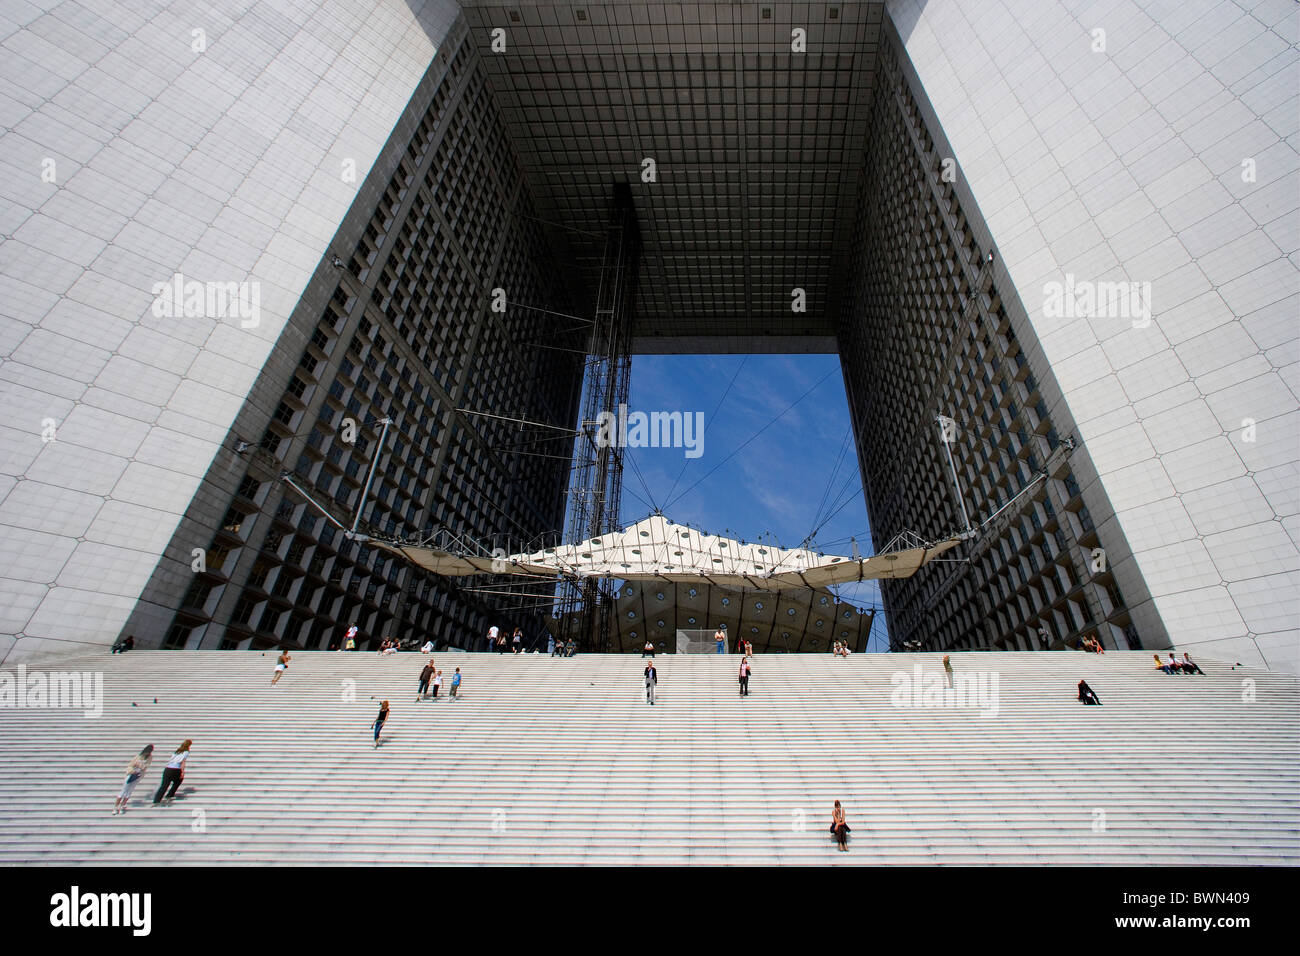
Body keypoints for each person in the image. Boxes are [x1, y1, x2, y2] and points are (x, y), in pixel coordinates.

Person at [114, 745, 153, 814]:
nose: (147, 753)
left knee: (129, 791)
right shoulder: (138, 756)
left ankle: (122, 805)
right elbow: (131, 764)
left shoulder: (149, 757)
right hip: (131, 774)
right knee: (123, 790)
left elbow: (146, 766)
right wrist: (134, 770)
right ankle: (116, 807)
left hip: (138, 775)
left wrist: (141, 767)